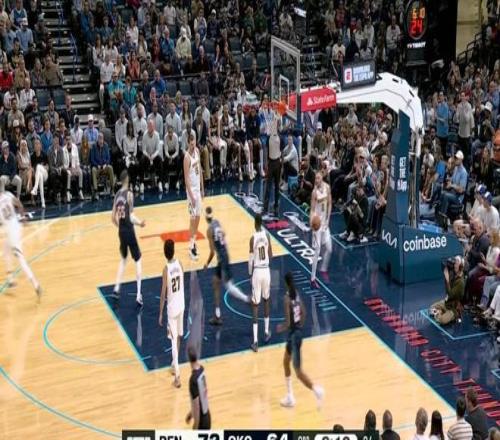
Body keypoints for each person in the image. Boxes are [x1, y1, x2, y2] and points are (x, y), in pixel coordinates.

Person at [277, 272, 324, 408]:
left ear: (285, 283)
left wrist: (281, 328)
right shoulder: (296, 294)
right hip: (297, 334)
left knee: (298, 371)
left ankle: (317, 390)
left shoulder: (287, 299)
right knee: (285, 362)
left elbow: (288, 322)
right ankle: (290, 396)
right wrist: (299, 327)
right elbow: (304, 313)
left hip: (293, 336)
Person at [204, 206, 249, 325]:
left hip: (222, 259)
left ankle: (246, 299)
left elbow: (212, 252)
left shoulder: (209, 230)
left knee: (228, 285)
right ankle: (217, 316)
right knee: (215, 283)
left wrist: (206, 263)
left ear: (205, 218)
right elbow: (224, 233)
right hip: (224, 256)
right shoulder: (217, 223)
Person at [111, 170, 145, 306]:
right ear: (127, 179)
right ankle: (138, 295)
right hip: (129, 230)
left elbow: (112, 218)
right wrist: (140, 223)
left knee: (124, 259)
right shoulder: (129, 194)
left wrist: (120, 227)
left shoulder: (117, 195)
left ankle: (116, 288)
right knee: (138, 259)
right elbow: (130, 216)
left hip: (121, 231)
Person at [0, 190, 41, 295]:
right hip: (16, 227)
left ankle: (35, 284)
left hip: (11, 232)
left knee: (20, 258)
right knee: (5, 249)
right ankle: (10, 279)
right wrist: (23, 218)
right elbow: (19, 204)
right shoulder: (7, 194)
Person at [159, 239, 184, 388]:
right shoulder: (180, 264)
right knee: (179, 336)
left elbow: (163, 293)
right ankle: (174, 365)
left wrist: (160, 313)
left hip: (172, 308)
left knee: (173, 341)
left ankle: (178, 377)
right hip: (181, 305)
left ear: (165, 253)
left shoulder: (166, 269)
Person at [249, 213, 272, 352]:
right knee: (266, 300)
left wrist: (250, 274)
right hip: (266, 270)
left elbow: (250, 260)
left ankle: (255, 341)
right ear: (262, 222)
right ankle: (267, 332)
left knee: (255, 304)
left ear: (255, 223)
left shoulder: (253, 238)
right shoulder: (267, 235)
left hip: (257, 271)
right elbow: (271, 255)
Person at [310, 172, 332, 288]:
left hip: (324, 223)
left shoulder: (327, 188)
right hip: (317, 225)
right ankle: (312, 279)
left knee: (329, 248)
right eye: (315, 178)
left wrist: (328, 219)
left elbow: (330, 204)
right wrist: (312, 222)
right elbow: (312, 209)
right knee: (317, 251)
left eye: (318, 178)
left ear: (322, 178)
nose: (316, 180)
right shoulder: (314, 192)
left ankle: (323, 269)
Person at [184, 134, 204, 260]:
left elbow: (200, 170)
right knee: (192, 219)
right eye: (191, 143)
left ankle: (193, 241)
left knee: (198, 217)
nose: (193, 145)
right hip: (191, 191)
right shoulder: (186, 158)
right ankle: (191, 248)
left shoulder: (197, 151)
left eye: (194, 142)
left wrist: (202, 188)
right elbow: (186, 178)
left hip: (198, 189)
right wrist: (191, 196)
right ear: (188, 143)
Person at [430, 256, 465, 325]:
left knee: (441, 320)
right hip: (447, 303)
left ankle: (445, 314)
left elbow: (450, 294)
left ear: (460, 267)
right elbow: (447, 292)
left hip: (453, 308)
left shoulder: (460, 282)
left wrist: (447, 280)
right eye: (454, 263)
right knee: (431, 308)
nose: (454, 265)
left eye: (456, 264)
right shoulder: (453, 274)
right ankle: (440, 312)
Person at [186, 345, 211, 429]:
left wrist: (195, 426)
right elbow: (202, 393)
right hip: (207, 415)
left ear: (188, 359)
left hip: (201, 422)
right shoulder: (201, 369)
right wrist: (191, 413)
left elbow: (196, 406)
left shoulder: (193, 380)